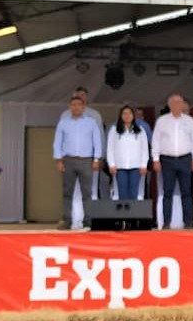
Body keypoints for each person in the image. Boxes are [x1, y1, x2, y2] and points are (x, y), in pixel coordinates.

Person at [150, 93, 193, 228]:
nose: (178, 106)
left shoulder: (189, 121)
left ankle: (188, 222)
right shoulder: (162, 121)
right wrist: (155, 159)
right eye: (174, 103)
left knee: (186, 192)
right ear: (170, 105)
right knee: (167, 192)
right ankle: (166, 222)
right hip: (167, 160)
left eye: (180, 103)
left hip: (185, 159)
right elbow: (156, 141)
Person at [53, 94, 103, 230]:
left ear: (83, 107)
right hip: (68, 160)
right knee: (67, 192)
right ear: (70, 107)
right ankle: (66, 220)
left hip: (86, 160)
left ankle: (88, 221)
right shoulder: (63, 123)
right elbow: (57, 142)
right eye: (73, 105)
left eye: (79, 105)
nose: (76, 107)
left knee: (87, 192)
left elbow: (97, 142)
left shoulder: (91, 122)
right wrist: (58, 160)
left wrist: (96, 159)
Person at [107, 105, 149, 201]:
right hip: (120, 167)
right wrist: (111, 164)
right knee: (122, 193)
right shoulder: (114, 130)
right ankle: (124, 211)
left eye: (129, 113)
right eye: (124, 113)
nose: (127, 116)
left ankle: (133, 211)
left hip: (136, 166)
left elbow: (144, 149)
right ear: (120, 116)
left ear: (133, 116)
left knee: (134, 193)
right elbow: (110, 149)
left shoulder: (140, 130)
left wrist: (144, 165)